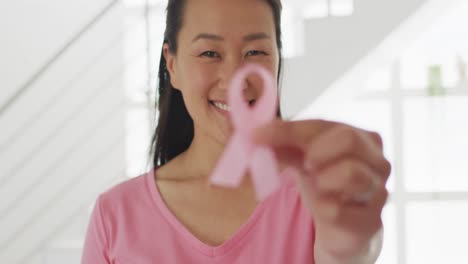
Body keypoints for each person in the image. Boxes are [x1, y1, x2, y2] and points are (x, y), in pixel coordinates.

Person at [82, 0, 391, 263]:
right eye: (209, 53)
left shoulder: (315, 194)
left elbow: (352, 249)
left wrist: (354, 242)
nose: (235, 81)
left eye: (255, 52)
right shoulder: (114, 216)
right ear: (172, 64)